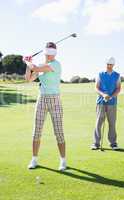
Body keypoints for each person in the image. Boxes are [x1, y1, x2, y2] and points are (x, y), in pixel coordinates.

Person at [24, 42, 66, 171]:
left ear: (54, 53)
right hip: (41, 99)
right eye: (48, 53)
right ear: (46, 52)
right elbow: (28, 78)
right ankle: (34, 159)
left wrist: (27, 62)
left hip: (55, 100)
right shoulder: (42, 67)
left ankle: (63, 160)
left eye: (51, 53)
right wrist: (28, 66)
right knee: (37, 131)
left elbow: (36, 68)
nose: (49, 55)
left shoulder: (55, 65)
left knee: (58, 131)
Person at [91, 57, 121, 150]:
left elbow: (118, 88)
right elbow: (96, 87)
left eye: (111, 64)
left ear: (113, 65)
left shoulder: (117, 75)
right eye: (108, 64)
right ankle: (96, 143)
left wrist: (111, 96)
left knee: (112, 123)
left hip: (112, 102)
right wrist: (103, 94)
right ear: (106, 64)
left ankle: (113, 143)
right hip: (101, 101)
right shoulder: (100, 74)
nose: (109, 66)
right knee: (99, 122)